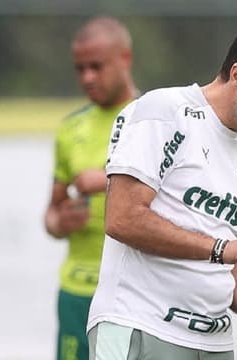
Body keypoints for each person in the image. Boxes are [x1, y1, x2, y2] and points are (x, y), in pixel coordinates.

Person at [86, 23, 237, 359]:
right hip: (140, 326)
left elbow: (234, 262)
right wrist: (224, 248)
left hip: (216, 344)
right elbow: (122, 219)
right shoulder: (164, 111)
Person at [43, 16, 138, 360]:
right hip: (76, 291)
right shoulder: (70, 128)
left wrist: (109, 179)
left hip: (132, 295)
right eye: (80, 68)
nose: (87, 77)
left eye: (96, 66)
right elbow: (52, 214)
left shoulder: (154, 119)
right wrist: (59, 222)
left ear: (124, 58)